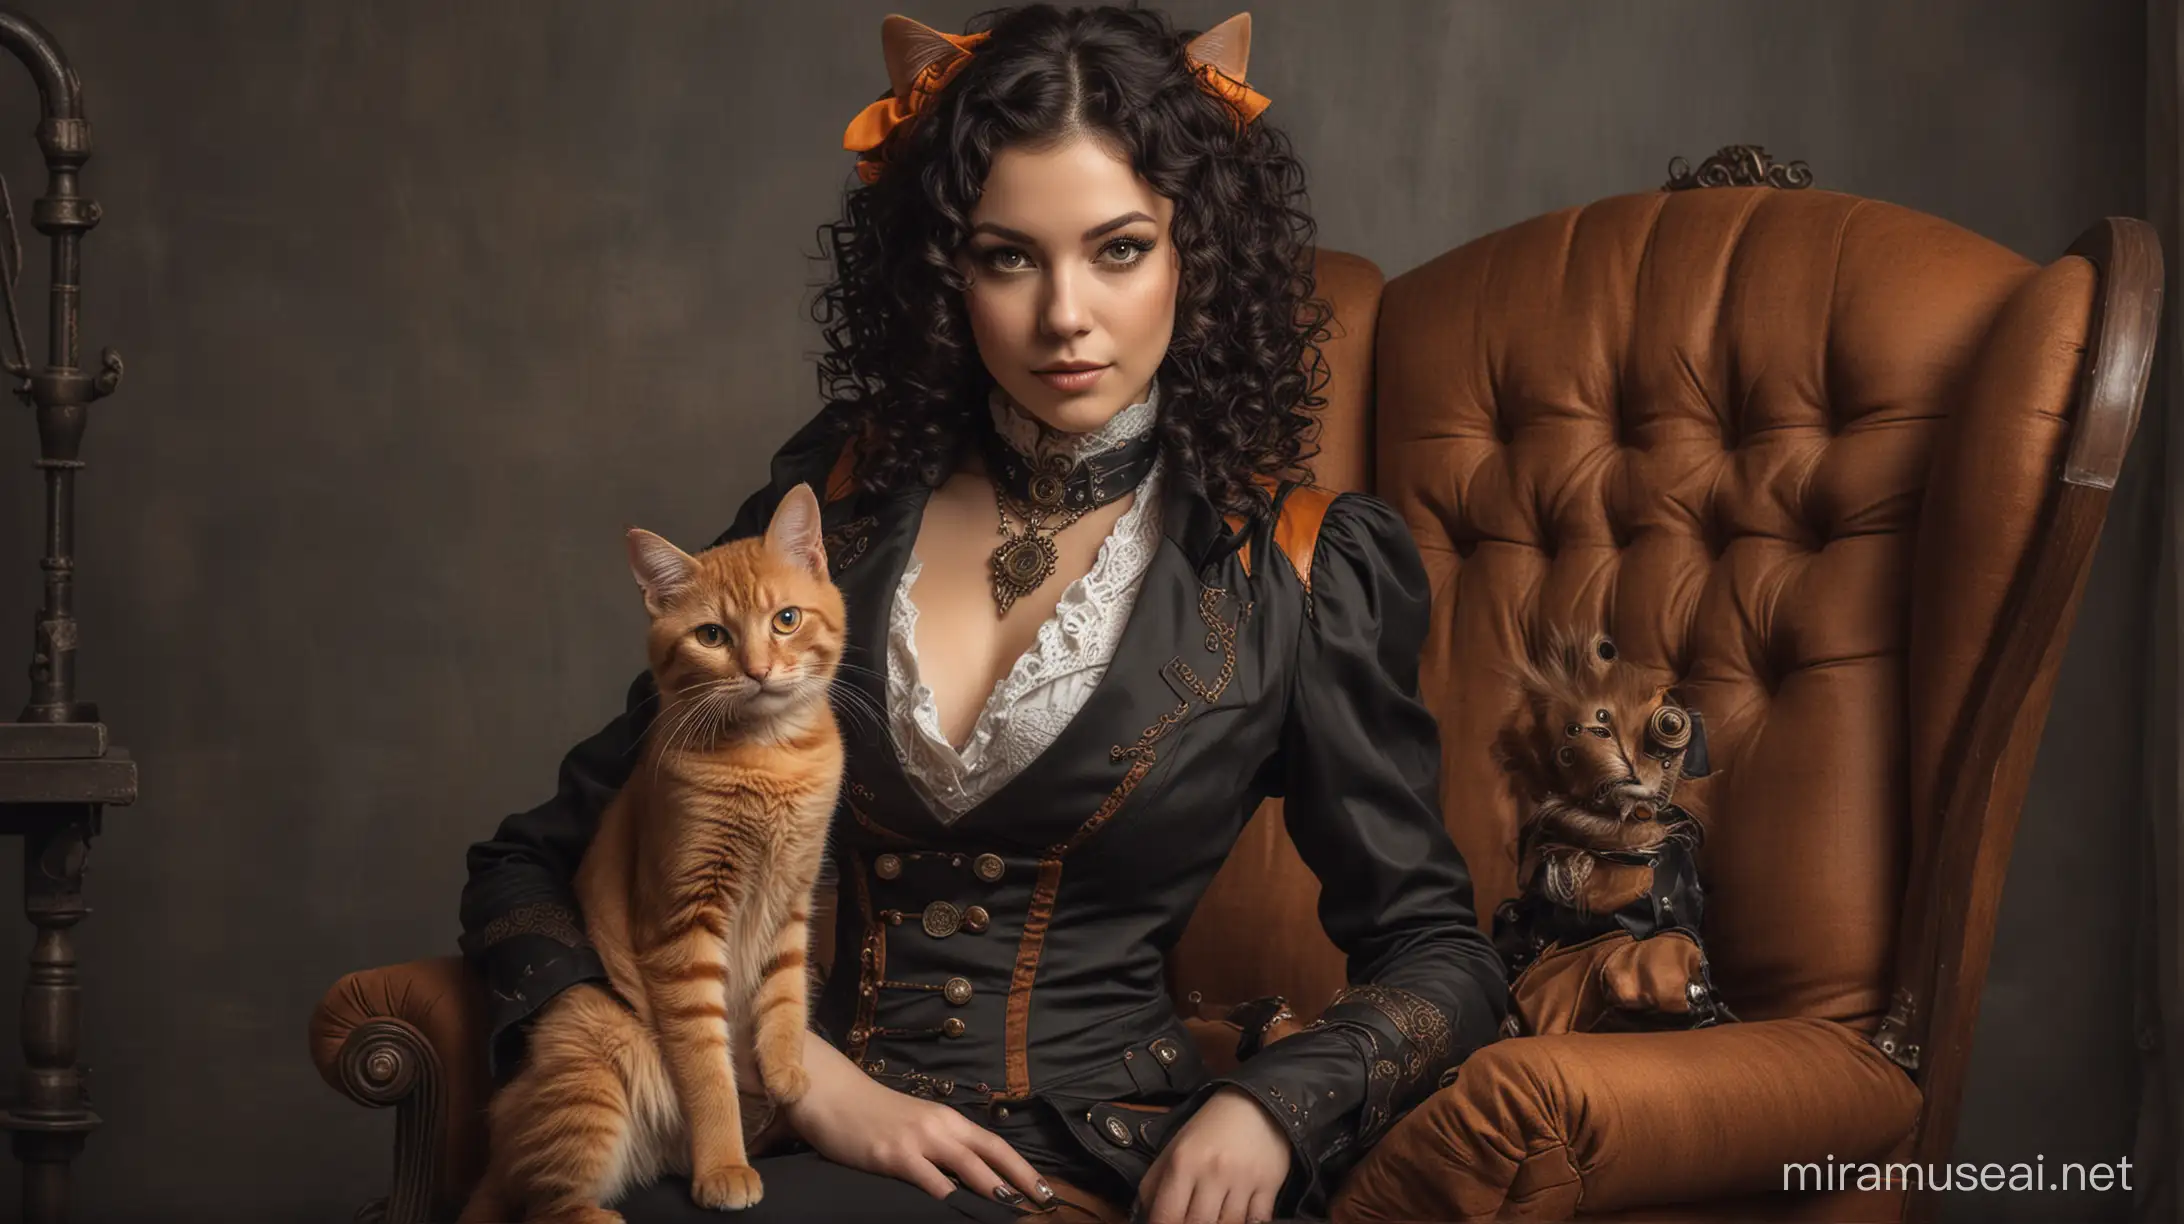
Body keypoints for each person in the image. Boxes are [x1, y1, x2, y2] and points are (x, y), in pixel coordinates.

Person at [457, 7, 1508, 1223]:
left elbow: (1443, 957)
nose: (1065, 314)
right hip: (800, 1133)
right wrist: (786, 1076)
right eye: (1010, 257)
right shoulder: (840, 510)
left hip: (1080, 1164)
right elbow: (529, 863)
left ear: (1195, 255)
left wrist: (1270, 1104)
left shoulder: (1299, 566)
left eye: (1119, 250)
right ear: (946, 272)